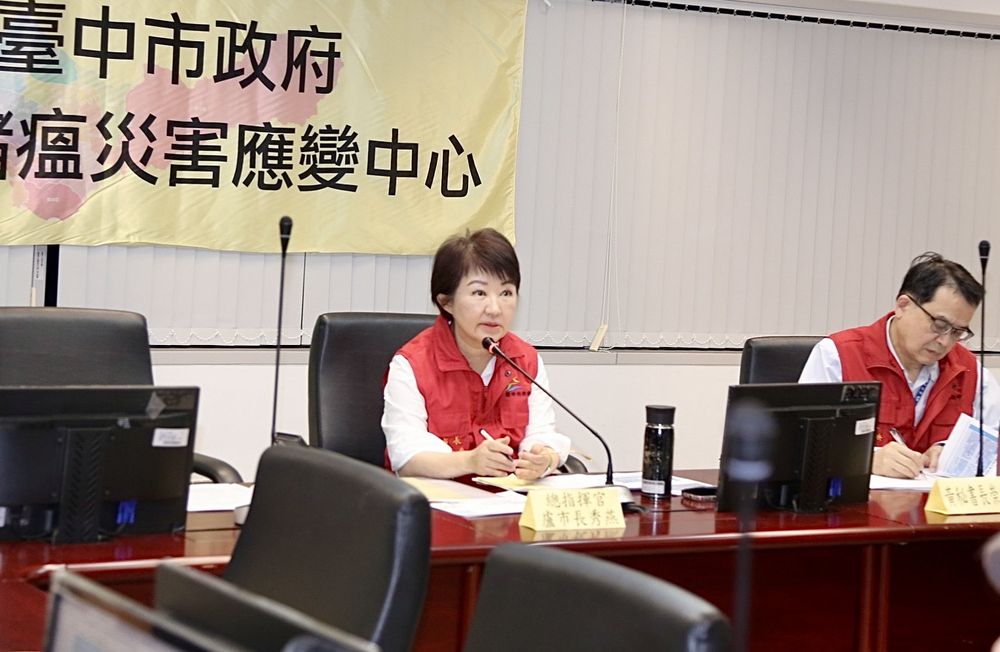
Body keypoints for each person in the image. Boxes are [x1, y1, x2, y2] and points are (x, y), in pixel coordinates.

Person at [382, 228, 570, 480]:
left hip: (510, 498)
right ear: (447, 302)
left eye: (506, 293)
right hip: (438, 499)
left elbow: (541, 433)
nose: (495, 308)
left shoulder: (525, 361)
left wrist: (544, 459)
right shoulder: (411, 364)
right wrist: (470, 461)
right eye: (479, 293)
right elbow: (406, 457)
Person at [799, 252, 1000, 479]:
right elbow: (802, 445)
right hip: (856, 499)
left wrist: (954, 452)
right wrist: (866, 458)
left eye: (957, 332)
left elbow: (993, 446)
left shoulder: (970, 371)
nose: (945, 341)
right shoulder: (837, 356)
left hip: (934, 500)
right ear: (903, 306)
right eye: (939, 325)